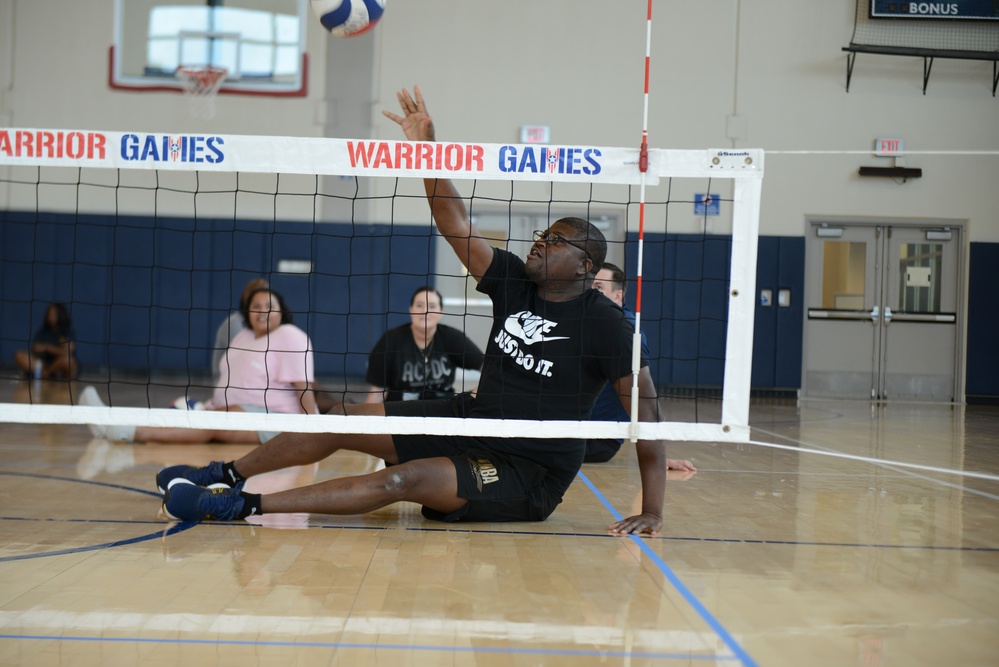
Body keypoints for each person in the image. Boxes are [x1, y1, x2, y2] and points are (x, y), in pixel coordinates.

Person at [159, 85, 694, 535]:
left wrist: (652, 509)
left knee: (403, 480)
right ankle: (223, 473)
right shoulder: (514, 281)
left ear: (584, 266)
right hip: (471, 419)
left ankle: (240, 507)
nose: (538, 243)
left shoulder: (608, 325)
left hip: (529, 468)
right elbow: (451, 218)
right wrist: (428, 151)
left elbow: (648, 420)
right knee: (339, 419)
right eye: (541, 235)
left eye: (554, 241)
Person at [81, 287, 318, 444]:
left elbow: (304, 387)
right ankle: (111, 422)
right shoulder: (242, 337)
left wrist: (313, 427)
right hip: (228, 410)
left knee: (218, 422)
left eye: (269, 305)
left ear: (281, 311)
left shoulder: (290, 335)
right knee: (185, 413)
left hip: (276, 420)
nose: (262, 311)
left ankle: (126, 432)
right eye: (256, 306)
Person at [584, 263, 658, 464]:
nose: (590, 292)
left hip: (596, 440)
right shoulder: (586, 322)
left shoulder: (627, 332)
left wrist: (657, 456)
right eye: (588, 285)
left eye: (598, 287)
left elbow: (642, 396)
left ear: (618, 296)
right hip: (569, 429)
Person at [364, 286, 484, 403]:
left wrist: (473, 396)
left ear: (441, 312)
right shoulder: (390, 341)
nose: (425, 311)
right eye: (419, 305)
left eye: (432, 306)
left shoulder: (452, 338)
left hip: (443, 411)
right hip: (400, 412)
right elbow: (377, 392)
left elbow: (487, 366)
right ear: (411, 309)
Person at [213, 278, 269, 388]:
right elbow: (247, 364)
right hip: (228, 384)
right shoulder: (235, 324)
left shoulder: (263, 325)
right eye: (257, 303)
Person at [14, 302, 79, 379]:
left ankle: (47, 373)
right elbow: (35, 348)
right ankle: (46, 373)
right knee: (19, 355)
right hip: (44, 363)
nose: (50, 316)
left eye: (53, 314)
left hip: (59, 363)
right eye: (49, 314)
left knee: (68, 361)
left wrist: (47, 347)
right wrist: (39, 350)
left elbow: (67, 351)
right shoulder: (43, 331)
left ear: (60, 314)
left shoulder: (67, 331)